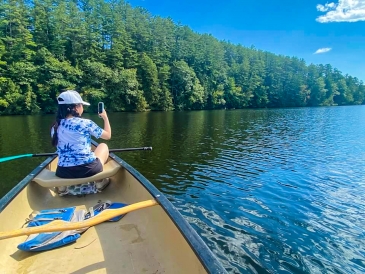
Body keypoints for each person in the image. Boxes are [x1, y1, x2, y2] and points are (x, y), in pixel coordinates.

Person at [51, 90, 111, 192]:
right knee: (103, 146)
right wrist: (105, 118)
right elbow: (108, 135)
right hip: (88, 169)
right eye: (81, 105)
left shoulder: (55, 127)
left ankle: (62, 186)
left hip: (63, 172)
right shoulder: (85, 123)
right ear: (76, 107)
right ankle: (99, 182)